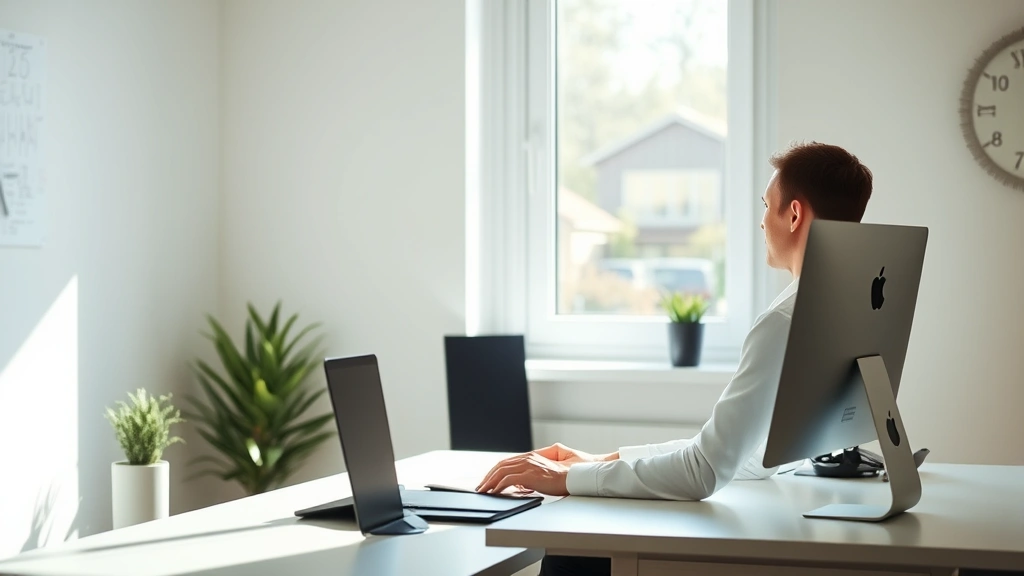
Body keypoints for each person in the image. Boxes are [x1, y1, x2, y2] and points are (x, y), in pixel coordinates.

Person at [476, 141, 875, 576]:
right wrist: (604, 460)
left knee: (574, 551)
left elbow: (704, 471)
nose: (761, 221)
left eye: (766, 205)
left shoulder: (783, 322)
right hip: (789, 521)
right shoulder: (838, 308)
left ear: (794, 214)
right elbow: (751, 458)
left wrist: (566, 479)